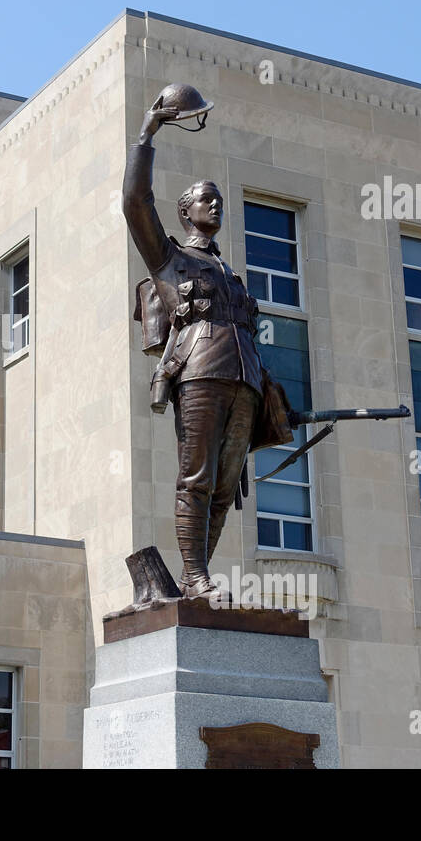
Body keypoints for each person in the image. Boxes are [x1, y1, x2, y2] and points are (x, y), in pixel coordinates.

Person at [122, 86, 265, 601]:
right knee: (197, 477)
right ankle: (195, 576)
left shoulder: (229, 273)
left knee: (226, 486)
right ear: (185, 212)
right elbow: (133, 203)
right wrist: (147, 134)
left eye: (219, 199)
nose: (216, 204)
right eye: (207, 199)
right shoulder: (170, 259)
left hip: (245, 380)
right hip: (200, 371)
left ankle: (195, 575)